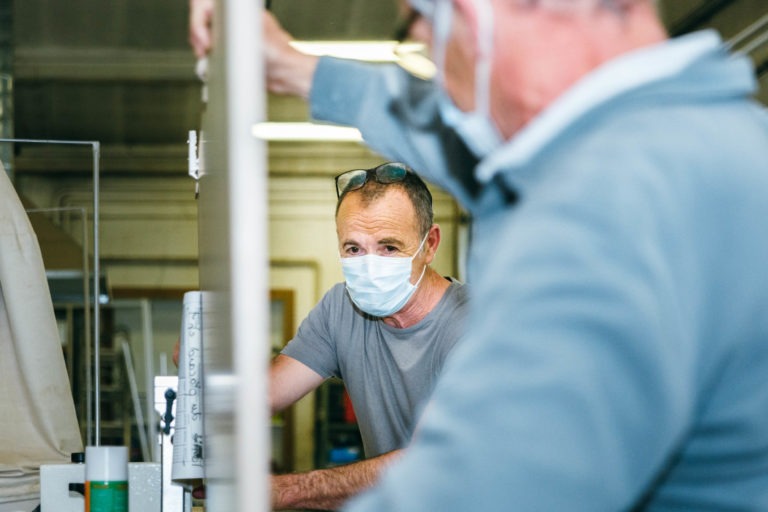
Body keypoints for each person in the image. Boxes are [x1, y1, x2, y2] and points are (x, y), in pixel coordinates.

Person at [192, 0, 768, 509]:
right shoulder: (712, 136)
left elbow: (482, 486)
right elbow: (447, 135)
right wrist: (294, 67)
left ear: (471, 18)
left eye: (425, 40)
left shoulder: (608, 207)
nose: (443, 83)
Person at [174, 161, 468, 510]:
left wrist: (284, 490)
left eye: (389, 247)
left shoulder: (476, 326)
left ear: (430, 244)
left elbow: (429, 467)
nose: (369, 265)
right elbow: (261, 397)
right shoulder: (341, 309)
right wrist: (206, 372)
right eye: (354, 249)